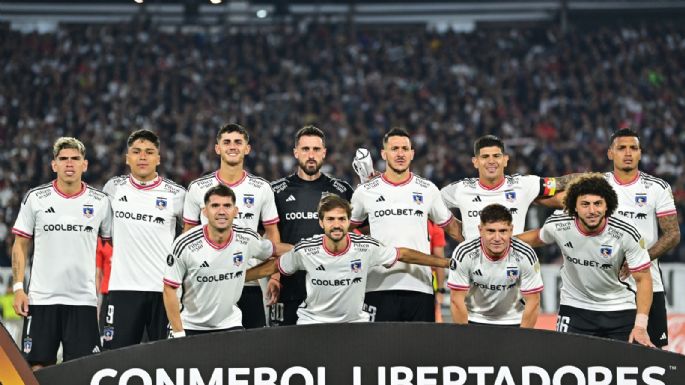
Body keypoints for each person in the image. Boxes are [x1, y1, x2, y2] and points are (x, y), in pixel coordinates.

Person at [246, 195, 449, 324]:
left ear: (348, 221)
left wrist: (445, 262)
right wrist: (237, 276)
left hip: (354, 325)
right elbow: (272, 266)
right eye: (331, 219)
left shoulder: (366, 247)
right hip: (313, 322)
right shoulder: (306, 249)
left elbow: (403, 253)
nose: (336, 225)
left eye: (342, 219)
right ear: (321, 222)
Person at [517, 173, 654, 347]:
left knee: (623, 370)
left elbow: (643, 279)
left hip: (619, 309)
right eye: (585, 204)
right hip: (575, 308)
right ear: (574, 206)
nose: (592, 211)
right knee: (568, 367)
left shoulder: (626, 232)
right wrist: (502, 241)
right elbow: (538, 237)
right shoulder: (559, 223)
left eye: (598, 204)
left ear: (607, 206)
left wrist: (641, 326)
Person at [11, 137, 112, 368]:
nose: (69, 164)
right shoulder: (36, 198)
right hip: (41, 299)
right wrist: (18, 288)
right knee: (37, 369)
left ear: (84, 164)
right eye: (63, 159)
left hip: (82, 301)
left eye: (75, 159)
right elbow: (20, 243)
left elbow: (112, 244)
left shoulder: (100, 202)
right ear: (53, 165)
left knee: (82, 371)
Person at [349, 128, 463, 322]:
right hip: (377, 286)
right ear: (384, 154)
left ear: (412, 153)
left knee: (419, 351)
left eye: (405, 148)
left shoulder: (427, 189)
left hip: (421, 286)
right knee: (380, 350)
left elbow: (452, 227)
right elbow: (346, 228)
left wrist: (483, 242)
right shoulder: (364, 192)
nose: (400, 154)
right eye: (394, 149)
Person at [183, 123, 281, 329]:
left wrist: (275, 275)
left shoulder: (261, 188)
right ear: (217, 148)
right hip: (208, 282)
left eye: (238, 142)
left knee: (254, 351)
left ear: (247, 148)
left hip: (249, 281)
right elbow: (188, 235)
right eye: (226, 142)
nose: (232, 146)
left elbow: (272, 233)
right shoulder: (198, 188)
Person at [163, 185, 291, 335]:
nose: (222, 211)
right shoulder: (184, 244)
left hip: (230, 324)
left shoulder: (246, 239)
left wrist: (304, 250)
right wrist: (178, 333)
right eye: (215, 206)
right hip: (190, 326)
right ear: (204, 212)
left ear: (235, 211)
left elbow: (275, 250)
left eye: (227, 206)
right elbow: (169, 290)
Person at [101, 129, 186, 350]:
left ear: (158, 159)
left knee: (168, 358)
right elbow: (106, 235)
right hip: (123, 288)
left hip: (165, 289)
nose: (142, 157)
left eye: (149, 152)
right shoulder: (113, 188)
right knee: (114, 358)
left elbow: (189, 238)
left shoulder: (176, 194)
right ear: (127, 158)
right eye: (136, 151)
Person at [270, 125, 353, 326]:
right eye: (305, 149)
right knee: (286, 353)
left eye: (316, 149)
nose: (311, 155)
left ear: (324, 153)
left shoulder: (341, 191)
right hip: (289, 288)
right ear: (295, 152)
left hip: (333, 290)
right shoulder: (276, 191)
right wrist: (273, 276)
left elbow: (361, 233)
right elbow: (268, 239)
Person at [605, 128, 680, 348]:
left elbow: (673, 234)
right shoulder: (598, 186)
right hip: (607, 287)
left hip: (649, 285)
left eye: (633, 148)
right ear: (610, 153)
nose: (628, 153)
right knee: (605, 356)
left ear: (640, 153)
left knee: (653, 357)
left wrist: (640, 260)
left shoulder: (657, 187)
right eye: (621, 148)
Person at [441, 135, 575, 240]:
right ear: (475, 162)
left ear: (505, 160)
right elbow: (429, 205)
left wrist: (594, 179)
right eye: (485, 157)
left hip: (513, 268)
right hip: (473, 270)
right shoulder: (460, 189)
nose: (491, 161)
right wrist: (458, 232)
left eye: (496, 156)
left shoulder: (523, 185)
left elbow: (562, 182)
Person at [448, 204, 543, 327]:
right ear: (480, 230)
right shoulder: (464, 253)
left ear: (511, 230)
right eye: (491, 231)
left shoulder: (525, 254)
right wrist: (465, 337)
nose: (497, 238)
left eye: (503, 231)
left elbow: (533, 301)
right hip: (475, 319)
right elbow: (456, 300)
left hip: (514, 321)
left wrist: (522, 339)